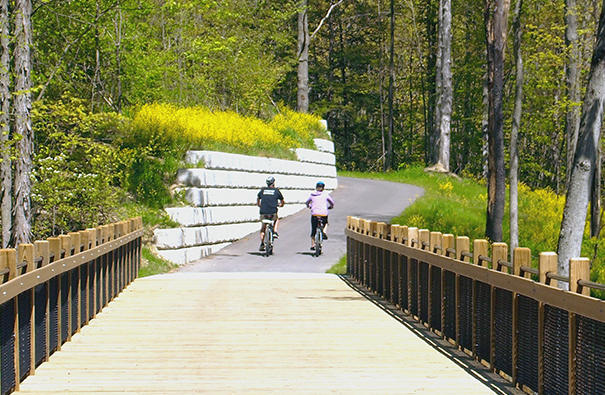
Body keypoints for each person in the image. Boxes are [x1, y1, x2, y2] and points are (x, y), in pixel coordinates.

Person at [257, 176, 285, 251]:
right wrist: (281, 205)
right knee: (276, 219)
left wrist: (259, 204)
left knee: (263, 228)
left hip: (263, 211)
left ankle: (262, 243)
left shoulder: (263, 190)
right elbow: (282, 200)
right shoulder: (276, 191)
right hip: (272, 212)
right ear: (273, 183)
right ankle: (275, 232)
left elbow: (258, 198)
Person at [305, 181, 334, 250]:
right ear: (323, 188)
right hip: (323, 213)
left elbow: (307, 202)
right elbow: (332, 202)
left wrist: (309, 206)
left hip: (315, 214)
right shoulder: (325, 195)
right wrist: (331, 206)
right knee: (326, 223)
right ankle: (324, 231)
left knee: (313, 229)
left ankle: (312, 245)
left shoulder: (312, 195)